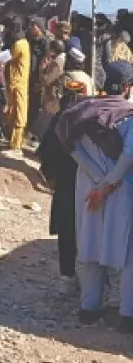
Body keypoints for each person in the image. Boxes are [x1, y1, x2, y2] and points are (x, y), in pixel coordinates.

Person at [55, 61, 133, 332]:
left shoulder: (80, 113)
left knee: (88, 247)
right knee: (128, 254)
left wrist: (97, 180)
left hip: (87, 190)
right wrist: (109, 184)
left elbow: (71, 147)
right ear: (127, 88)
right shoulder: (129, 115)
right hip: (122, 191)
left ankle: (88, 308)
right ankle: (127, 315)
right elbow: (129, 156)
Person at [38, 80, 88, 297]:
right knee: (88, 232)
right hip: (88, 185)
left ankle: (67, 278)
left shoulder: (59, 120)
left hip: (66, 186)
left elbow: (45, 151)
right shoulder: (90, 119)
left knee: (67, 232)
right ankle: (90, 282)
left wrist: (51, 177)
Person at [2, 14, 30, 158]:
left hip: (19, 83)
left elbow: (7, 57)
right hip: (14, 83)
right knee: (13, 113)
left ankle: (17, 147)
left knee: (19, 113)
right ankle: (13, 143)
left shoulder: (20, 44)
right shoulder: (19, 42)